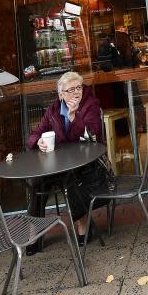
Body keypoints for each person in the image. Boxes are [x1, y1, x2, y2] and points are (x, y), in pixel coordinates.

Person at [25, 71, 110, 251]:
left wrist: (73, 118)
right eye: (70, 90)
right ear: (61, 94)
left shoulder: (90, 105)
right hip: (59, 163)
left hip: (88, 163)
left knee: (72, 178)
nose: (76, 93)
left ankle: (82, 225)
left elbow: (92, 135)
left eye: (78, 88)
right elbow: (34, 134)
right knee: (38, 183)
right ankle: (35, 234)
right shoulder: (53, 110)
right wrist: (37, 141)